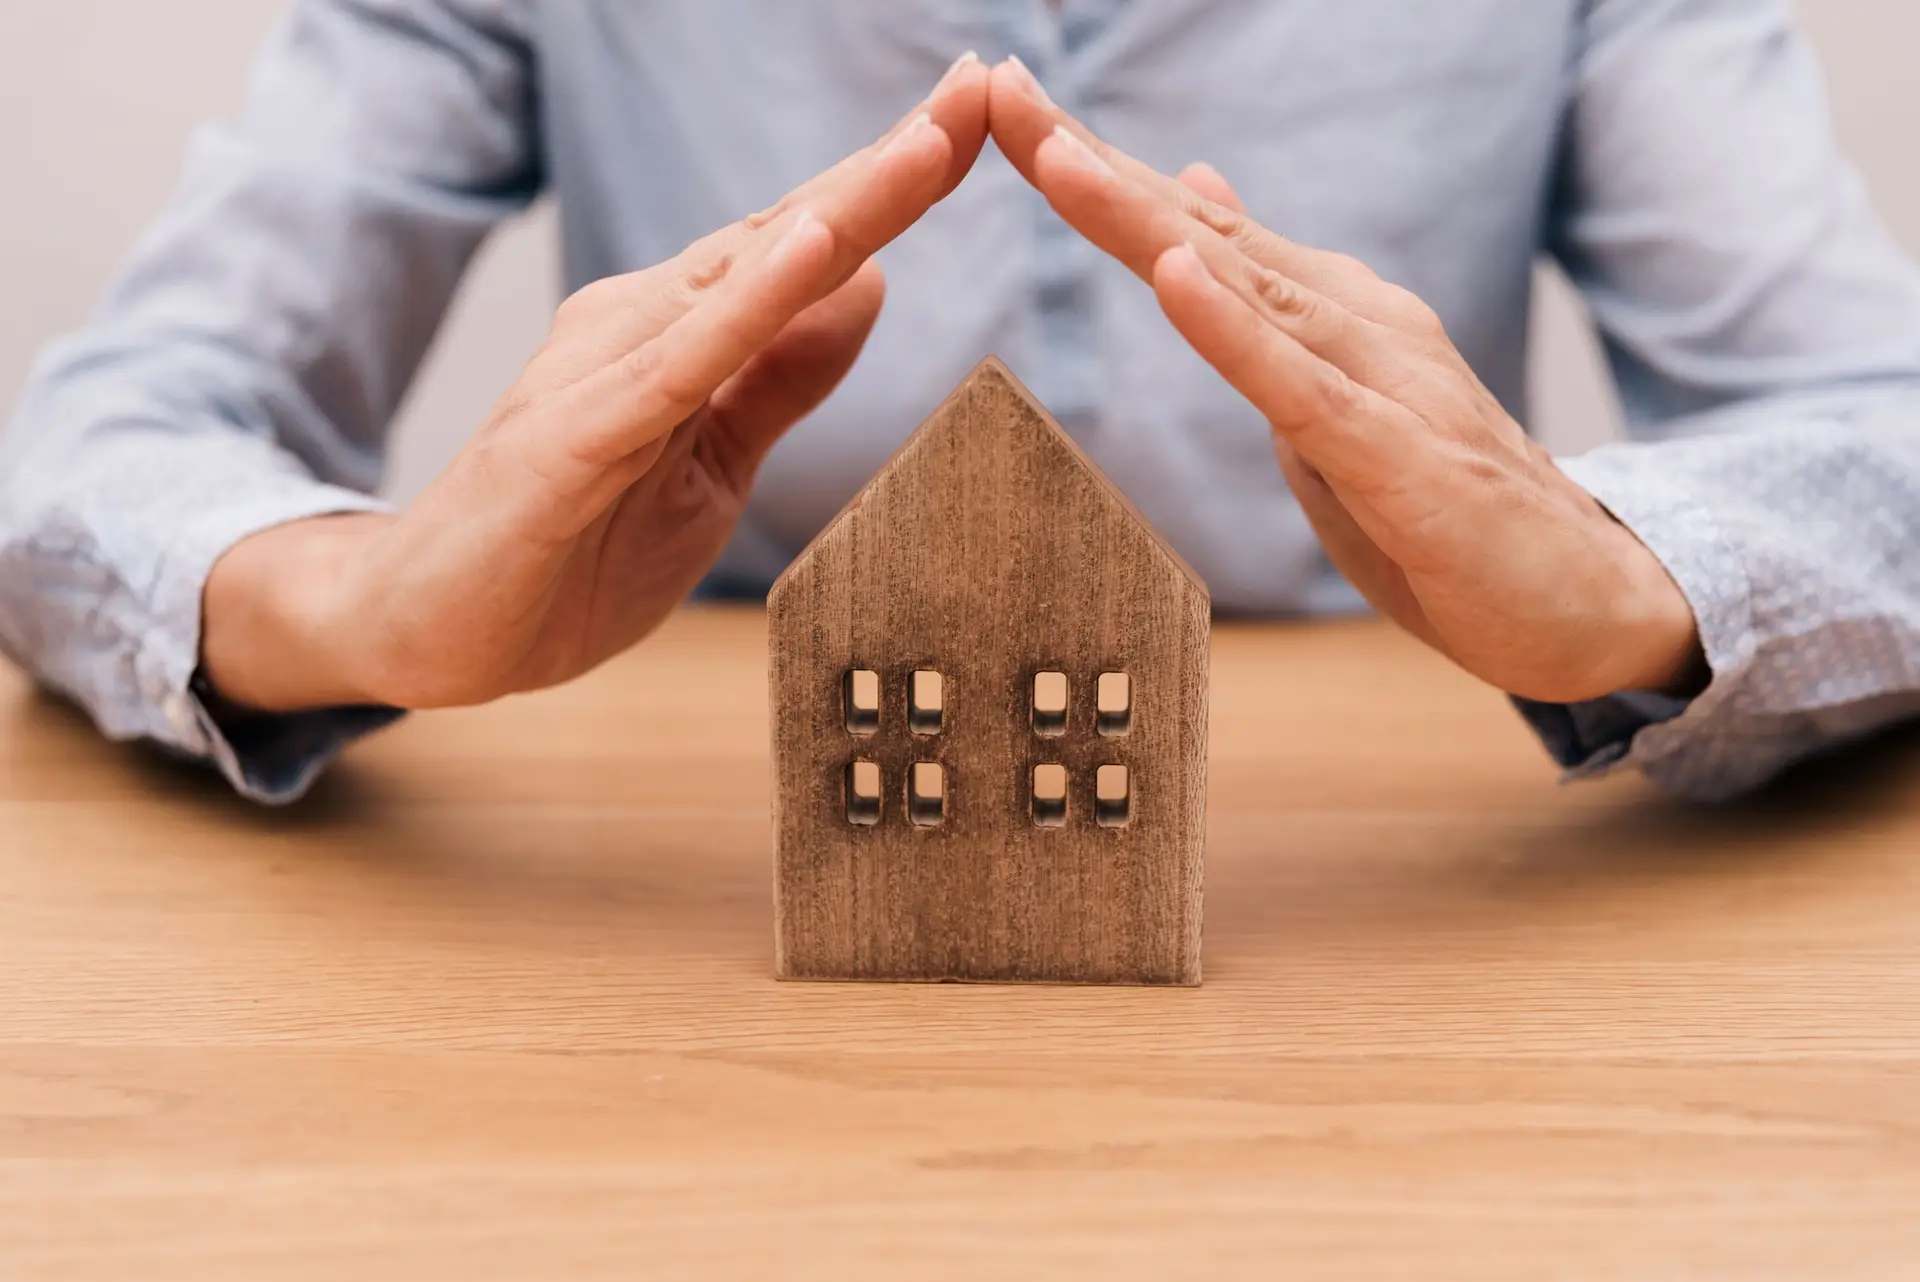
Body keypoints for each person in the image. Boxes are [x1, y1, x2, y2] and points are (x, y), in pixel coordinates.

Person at [1, 1, 1916, 806]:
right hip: (701, 936)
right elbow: (97, 440)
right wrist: (357, 606)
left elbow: (1887, 424)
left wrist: (1630, 594)